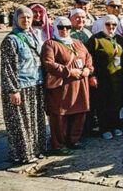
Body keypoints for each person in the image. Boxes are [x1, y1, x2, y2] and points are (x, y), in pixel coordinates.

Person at [0, 6, 47, 164]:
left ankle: (37, 149)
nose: (26, 20)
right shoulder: (11, 40)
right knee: (22, 121)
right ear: (16, 19)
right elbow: (8, 67)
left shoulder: (32, 36)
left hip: (36, 83)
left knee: (35, 120)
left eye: (28, 17)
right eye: (22, 18)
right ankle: (23, 154)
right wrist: (13, 90)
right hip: (20, 86)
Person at [42, 17, 94, 155]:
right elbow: (48, 63)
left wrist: (88, 68)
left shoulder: (77, 43)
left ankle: (74, 139)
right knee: (60, 114)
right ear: (56, 28)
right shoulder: (50, 44)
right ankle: (59, 144)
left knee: (78, 112)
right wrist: (69, 71)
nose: (64, 30)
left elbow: (88, 56)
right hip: (62, 86)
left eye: (67, 27)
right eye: (61, 27)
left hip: (79, 84)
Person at [85, 15, 123, 140]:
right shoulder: (95, 40)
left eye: (114, 25)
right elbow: (88, 59)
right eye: (108, 25)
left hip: (117, 77)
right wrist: (92, 75)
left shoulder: (118, 39)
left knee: (117, 102)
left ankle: (116, 125)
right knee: (103, 103)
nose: (111, 27)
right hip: (102, 78)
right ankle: (105, 128)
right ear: (103, 25)